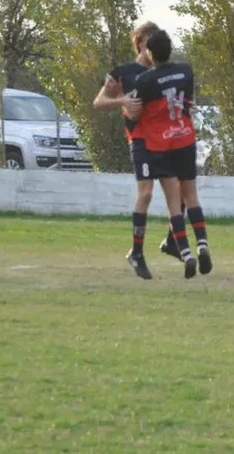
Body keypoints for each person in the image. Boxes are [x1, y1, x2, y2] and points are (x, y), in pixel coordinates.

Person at [92, 21, 181, 277]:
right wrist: (122, 100)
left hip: (164, 138)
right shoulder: (124, 72)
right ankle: (136, 253)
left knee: (179, 189)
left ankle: (171, 241)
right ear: (142, 44)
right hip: (140, 138)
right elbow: (99, 101)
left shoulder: (165, 72)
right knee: (146, 194)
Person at [127, 30, 212, 280]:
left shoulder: (145, 80)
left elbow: (135, 115)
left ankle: (186, 254)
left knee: (173, 203)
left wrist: (126, 105)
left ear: (150, 53)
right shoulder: (186, 71)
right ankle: (203, 245)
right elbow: (190, 101)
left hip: (161, 144)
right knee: (192, 197)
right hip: (185, 137)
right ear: (171, 49)